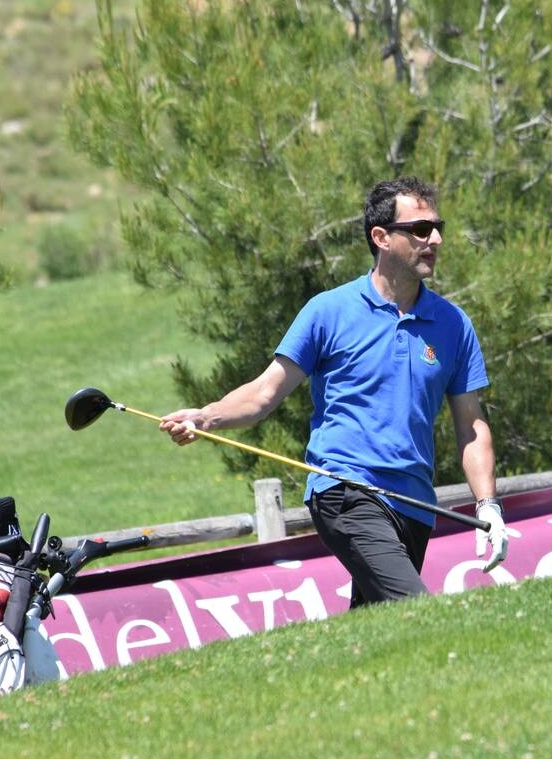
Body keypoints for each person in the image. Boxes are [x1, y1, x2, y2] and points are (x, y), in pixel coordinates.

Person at [159, 176, 508, 608]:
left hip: (415, 505)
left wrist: (487, 506)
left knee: (380, 629)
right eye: (420, 229)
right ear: (380, 237)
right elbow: (264, 393)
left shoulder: (454, 324)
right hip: (347, 492)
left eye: (437, 227)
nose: (434, 239)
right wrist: (204, 417)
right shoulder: (328, 311)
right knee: (417, 609)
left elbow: (471, 426)